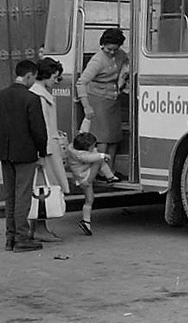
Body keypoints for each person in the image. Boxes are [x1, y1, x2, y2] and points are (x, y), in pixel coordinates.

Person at [0, 59, 48, 252]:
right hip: (25, 153)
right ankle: (22, 238)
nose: (33, 82)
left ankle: (9, 238)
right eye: (33, 78)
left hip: (4, 152)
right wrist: (42, 152)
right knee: (23, 195)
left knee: (10, 196)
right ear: (29, 75)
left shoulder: (1, 95)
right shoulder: (31, 98)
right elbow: (38, 130)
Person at [27, 58, 71, 243]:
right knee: (42, 189)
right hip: (45, 150)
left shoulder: (39, 94)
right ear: (46, 76)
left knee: (42, 188)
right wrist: (41, 154)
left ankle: (39, 227)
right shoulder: (39, 97)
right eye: (55, 77)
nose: (56, 81)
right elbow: (39, 128)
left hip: (47, 147)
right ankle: (39, 228)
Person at [76, 27, 129, 176]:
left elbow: (127, 62)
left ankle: (110, 170)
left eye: (115, 49)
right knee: (103, 138)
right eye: (108, 49)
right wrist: (86, 106)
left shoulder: (121, 55)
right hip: (97, 100)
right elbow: (81, 83)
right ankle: (100, 171)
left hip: (112, 100)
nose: (112, 52)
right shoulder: (97, 60)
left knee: (114, 137)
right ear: (102, 45)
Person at [66, 131, 116, 236]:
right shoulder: (80, 155)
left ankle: (86, 222)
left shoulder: (73, 147)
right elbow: (89, 158)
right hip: (86, 178)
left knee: (89, 200)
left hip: (82, 175)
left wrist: (87, 119)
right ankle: (109, 176)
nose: (94, 147)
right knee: (98, 159)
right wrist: (103, 155)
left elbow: (83, 129)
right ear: (85, 148)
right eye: (92, 146)